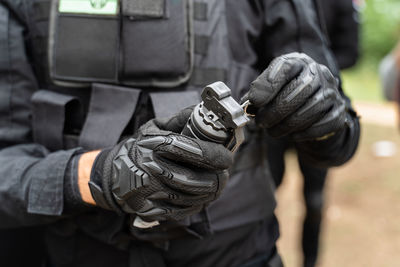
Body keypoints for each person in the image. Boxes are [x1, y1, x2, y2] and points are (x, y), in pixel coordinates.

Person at [0, 0, 360, 266]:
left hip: (238, 254)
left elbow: (340, 141)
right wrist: (98, 176)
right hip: (73, 252)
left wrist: (321, 115)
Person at [265, 0, 361, 266]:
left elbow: (351, 54)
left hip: (317, 112)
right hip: (271, 115)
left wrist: (313, 73)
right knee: (265, 194)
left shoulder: (341, 4)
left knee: (315, 201)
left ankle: (310, 261)